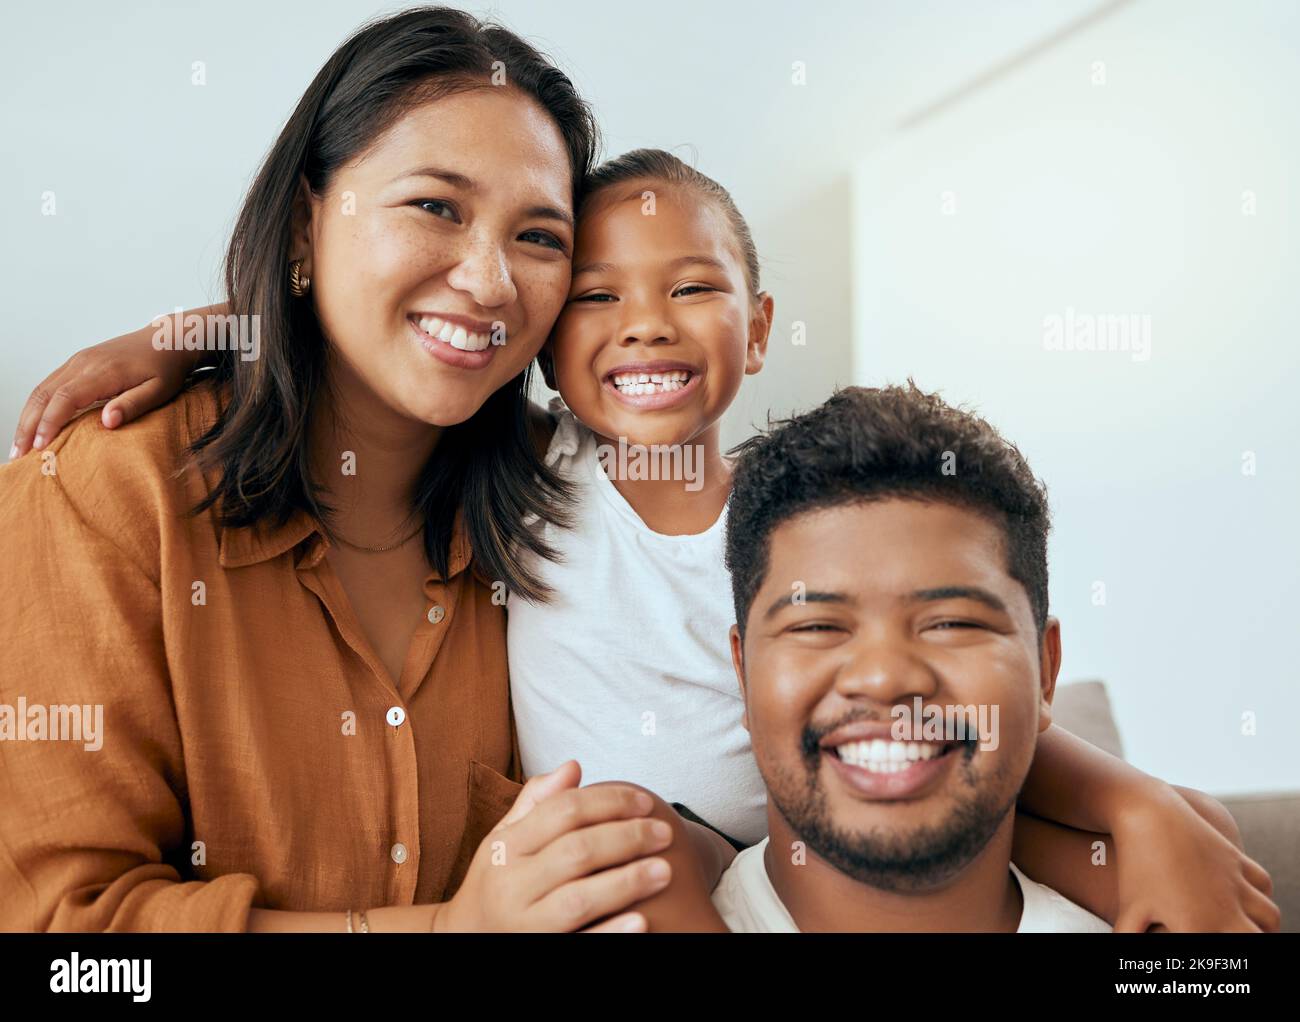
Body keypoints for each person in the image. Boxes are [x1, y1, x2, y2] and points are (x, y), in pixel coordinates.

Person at [0, 7, 718, 933]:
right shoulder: (97, 498)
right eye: (435, 207)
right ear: (309, 220)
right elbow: (68, 945)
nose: (491, 280)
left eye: (539, 237)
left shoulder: (577, 500)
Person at [712, 383, 1279, 931]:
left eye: (953, 623)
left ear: (1046, 672)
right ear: (742, 674)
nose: (884, 677)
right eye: (817, 625)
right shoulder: (657, 903)